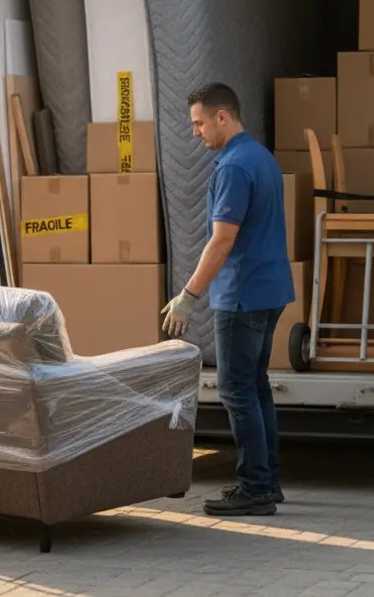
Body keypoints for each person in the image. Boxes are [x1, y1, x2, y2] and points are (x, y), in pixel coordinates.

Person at [160, 83, 295, 517]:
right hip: (270, 289)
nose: (195, 132)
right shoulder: (262, 157)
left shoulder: (233, 166)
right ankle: (268, 481)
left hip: (242, 295)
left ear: (222, 117)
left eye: (199, 123)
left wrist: (188, 295)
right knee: (256, 388)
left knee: (237, 390)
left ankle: (255, 487)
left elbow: (221, 241)